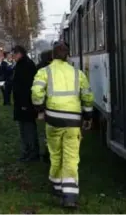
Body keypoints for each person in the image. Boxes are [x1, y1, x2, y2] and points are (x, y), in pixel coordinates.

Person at [31, 42, 94, 209]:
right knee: (71, 156)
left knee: (55, 153)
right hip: (73, 121)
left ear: (52, 55)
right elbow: (87, 96)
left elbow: (36, 93)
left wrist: (40, 108)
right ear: (68, 56)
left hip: (53, 119)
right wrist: (88, 115)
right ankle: (70, 196)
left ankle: (56, 185)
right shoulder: (77, 73)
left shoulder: (44, 72)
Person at [11, 46, 42, 162]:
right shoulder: (23, 64)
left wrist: (25, 104)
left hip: (25, 104)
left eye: (14, 54)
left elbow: (26, 86)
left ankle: (32, 153)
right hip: (22, 103)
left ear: (19, 54)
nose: (12, 57)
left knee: (28, 129)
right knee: (24, 129)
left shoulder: (26, 65)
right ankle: (27, 151)